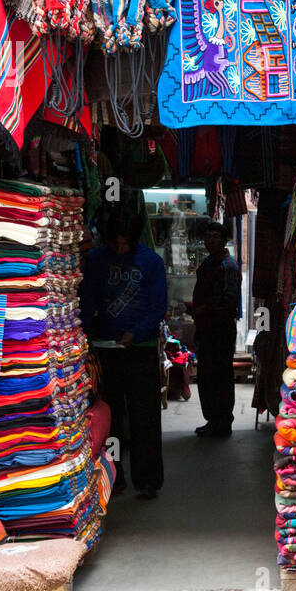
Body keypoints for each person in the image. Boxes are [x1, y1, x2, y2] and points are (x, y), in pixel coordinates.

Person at [81, 213, 168, 499]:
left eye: (124, 244)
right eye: (114, 244)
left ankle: (147, 481)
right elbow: (88, 300)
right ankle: (113, 475)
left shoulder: (151, 262)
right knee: (110, 417)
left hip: (139, 351)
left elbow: (158, 307)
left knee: (145, 417)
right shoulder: (96, 260)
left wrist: (138, 333)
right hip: (106, 350)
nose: (119, 249)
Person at [189, 220, 241, 437]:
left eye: (215, 237)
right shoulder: (211, 262)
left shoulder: (227, 266)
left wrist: (202, 309)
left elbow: (229, 302)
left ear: (224, 240)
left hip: (220, 329)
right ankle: (214, 420)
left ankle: (221, 422)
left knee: (219, 376)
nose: (210, 241)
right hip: (208, 328)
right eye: (207, 236)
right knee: (208, 376)